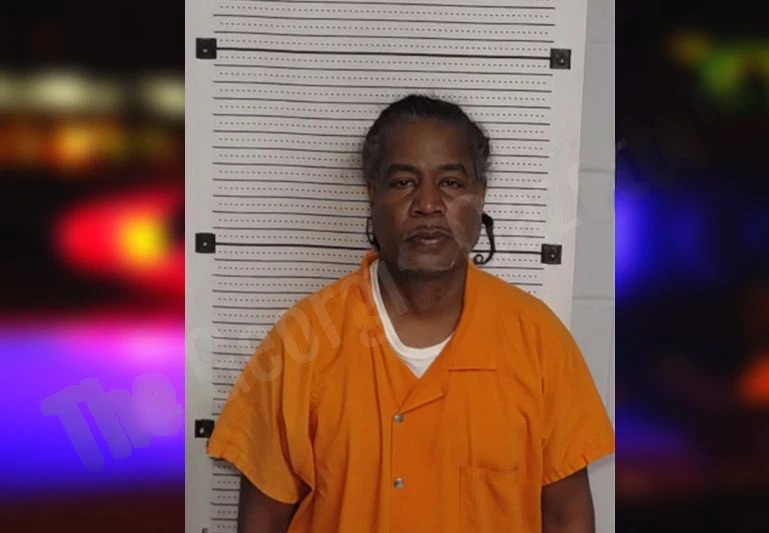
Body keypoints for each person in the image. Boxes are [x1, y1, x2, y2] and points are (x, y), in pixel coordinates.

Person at [206, 94, 615, 532]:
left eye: (451, 183)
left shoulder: (537, 339)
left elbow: (567, 515)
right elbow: (262, 520)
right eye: (404, 182)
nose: (428, 204)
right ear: (372, 194)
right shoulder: (301, 341)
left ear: (479, 196)